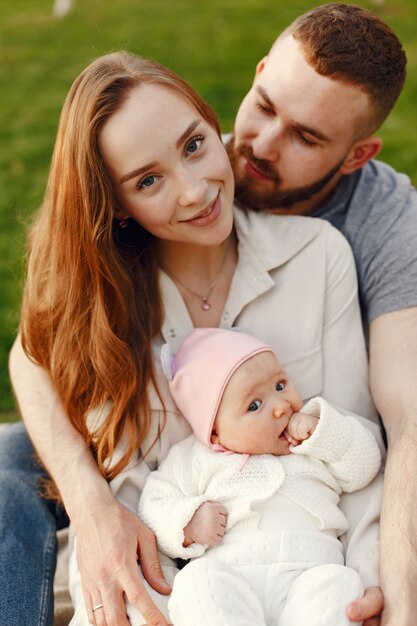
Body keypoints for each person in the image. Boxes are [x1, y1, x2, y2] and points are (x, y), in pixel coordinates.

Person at [3, 49, 384, 626]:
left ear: (214, 125)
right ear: (119, 205)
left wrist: (370, 586)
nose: (194, 191)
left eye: (194, 145)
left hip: (314, 571)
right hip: (189, 580)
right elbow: (127, 502)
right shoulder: (105, 306)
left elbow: (359, 461)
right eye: (148, 180)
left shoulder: (317, 256)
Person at [225, 4, 417, 624]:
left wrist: (401, 606)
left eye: (307, 137)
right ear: (258, 73)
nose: (261, 144)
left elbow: (409, 417)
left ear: (358, 155)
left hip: (326, 482)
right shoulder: (180, 172)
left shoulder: (385, 220)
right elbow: (34, 349)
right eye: (263, 105)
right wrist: (95, 516)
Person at [138, 328, 382, 626]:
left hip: (309, 570)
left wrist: (321, 432)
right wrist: (187, 523)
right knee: (195, 584)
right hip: (231, 574)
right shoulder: (195, 458)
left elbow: (365, 465)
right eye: (254, 405)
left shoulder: (313, 440)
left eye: (280, 385)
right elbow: (153, 503)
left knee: (341, 583)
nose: (281, 406)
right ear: (214, 430)